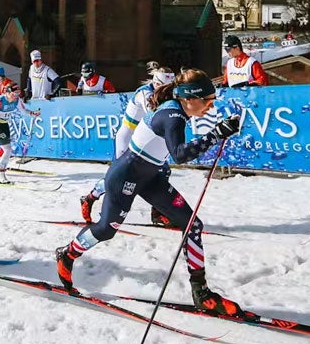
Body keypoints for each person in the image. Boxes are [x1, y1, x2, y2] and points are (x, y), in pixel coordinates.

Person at [53, 69, 244, 316]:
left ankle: (202, 293)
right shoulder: (173, 115)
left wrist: (217, 133)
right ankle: (67, 254)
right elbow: (180, 154)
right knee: (105, 230)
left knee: (192, 225)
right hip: (125, 177)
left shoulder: (177, 111)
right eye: (207, 100)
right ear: (190, 98)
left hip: (150, 176)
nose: (210, 106)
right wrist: (217, 134)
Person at [79, 64, 175, 222]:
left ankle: (158, 213)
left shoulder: (163, 92)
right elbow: (156, 114)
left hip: (145, 139)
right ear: (157, 84)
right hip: (128, 138)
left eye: (171, 87)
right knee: (119, 178)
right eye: (166, 87)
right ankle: (90, 198)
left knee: (163, 172)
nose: (168, 91)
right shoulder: (144, 93)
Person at [0, 82, 42, 184]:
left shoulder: (17, 101)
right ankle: (1, 176)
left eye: (18, 94)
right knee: (8, 150)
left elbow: (24, 110)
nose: (16, 96)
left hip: (4, 124)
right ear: (8, 93)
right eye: (14, 94)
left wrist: (33, 113)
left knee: (3, 148)